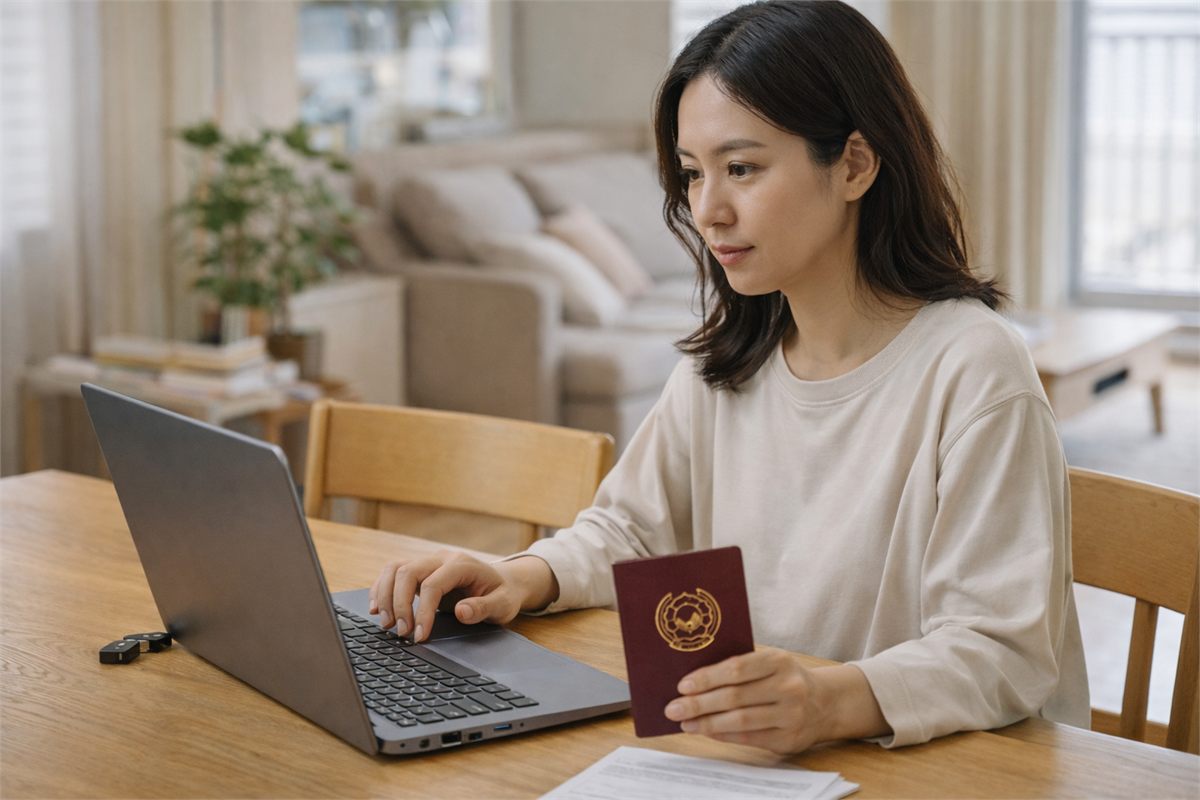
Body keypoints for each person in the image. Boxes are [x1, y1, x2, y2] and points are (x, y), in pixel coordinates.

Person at [369, 0, 1090, 752]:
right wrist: (521, 575)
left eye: (741, 169)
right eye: (692, 173)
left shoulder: (975, 370)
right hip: (756, 760)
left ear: (853, 164)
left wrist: (832, 701)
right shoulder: (727, 360)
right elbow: (630, 528)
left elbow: (1003, 651)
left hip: (930, 768)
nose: (707, 210)